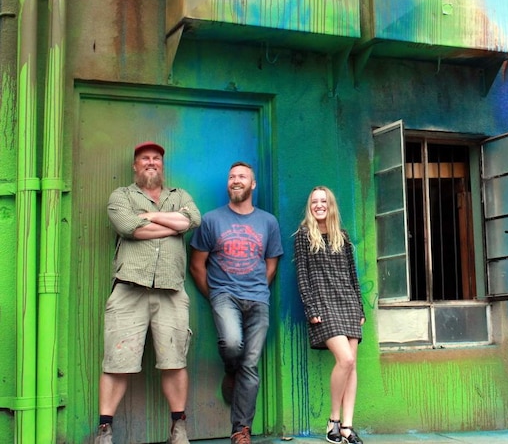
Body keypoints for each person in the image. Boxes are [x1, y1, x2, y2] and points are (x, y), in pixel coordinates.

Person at [96, 141, 201, 444]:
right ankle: (105, 430)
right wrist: (173, 222)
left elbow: (193, 220)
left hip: (171, 291)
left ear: (162, 165)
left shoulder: (179, 195)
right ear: (135, 165)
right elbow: (128, 227)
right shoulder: (122, 196)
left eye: (156, 158)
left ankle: (178, 429)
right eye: (145, 159)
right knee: (117, 362)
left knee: (175, 360)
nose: (151, 162)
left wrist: (151, 216)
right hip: (129, 289)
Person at [189, 161, 284, 444]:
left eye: (242, 176)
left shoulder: (268, 222)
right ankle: (230, 370)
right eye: (231, 177)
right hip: (224, 295)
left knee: (251, 364)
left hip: (258, 298)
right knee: (232, 344)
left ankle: (240, 429)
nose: (236, 180)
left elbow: (271, 263)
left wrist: (256, 289)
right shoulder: (211, 220)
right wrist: (216, 296)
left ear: (252, 184)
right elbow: (197, 265)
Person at [294, 186, 366, 444]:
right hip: (323, 305)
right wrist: (311, 308)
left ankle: (347, 427)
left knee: (352, 365)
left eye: (323, 201)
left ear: (331, 204)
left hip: (347, 303)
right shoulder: (303, 235)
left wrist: (360, 308)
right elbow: (302, 276)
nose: (319, 205)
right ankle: (333, 420)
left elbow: (352, 275)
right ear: (310, 206)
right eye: (314, 201)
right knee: (345, 360)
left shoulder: (342, 237)